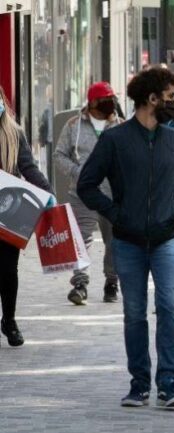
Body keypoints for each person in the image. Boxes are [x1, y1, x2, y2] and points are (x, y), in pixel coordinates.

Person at [77, 67, 174, 409]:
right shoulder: (115, 139)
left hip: (167, 238)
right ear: (152, 98)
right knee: (134, 312)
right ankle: (139, 384)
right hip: (127, 241)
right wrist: (115, 214)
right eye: (171, 96)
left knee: (169, 306)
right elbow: (86, 184)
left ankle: (169, 383)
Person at [54, 82, 122, 306]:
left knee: (114, 239)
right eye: (106, 98)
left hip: (113, 194)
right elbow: (59, 155)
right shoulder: (74, 126)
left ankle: (112, 281)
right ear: (93, 102)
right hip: (82, 193)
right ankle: (80, 283)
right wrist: (78, 172)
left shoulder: (120, 126)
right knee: (81, 239)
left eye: (112, 98)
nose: (110, 103)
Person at [0, 86, 53, 348]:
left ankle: (9, 320)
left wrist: (47, 192)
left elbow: (28, 166)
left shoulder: (14, 133)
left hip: (8, 211)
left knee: (8, 270)